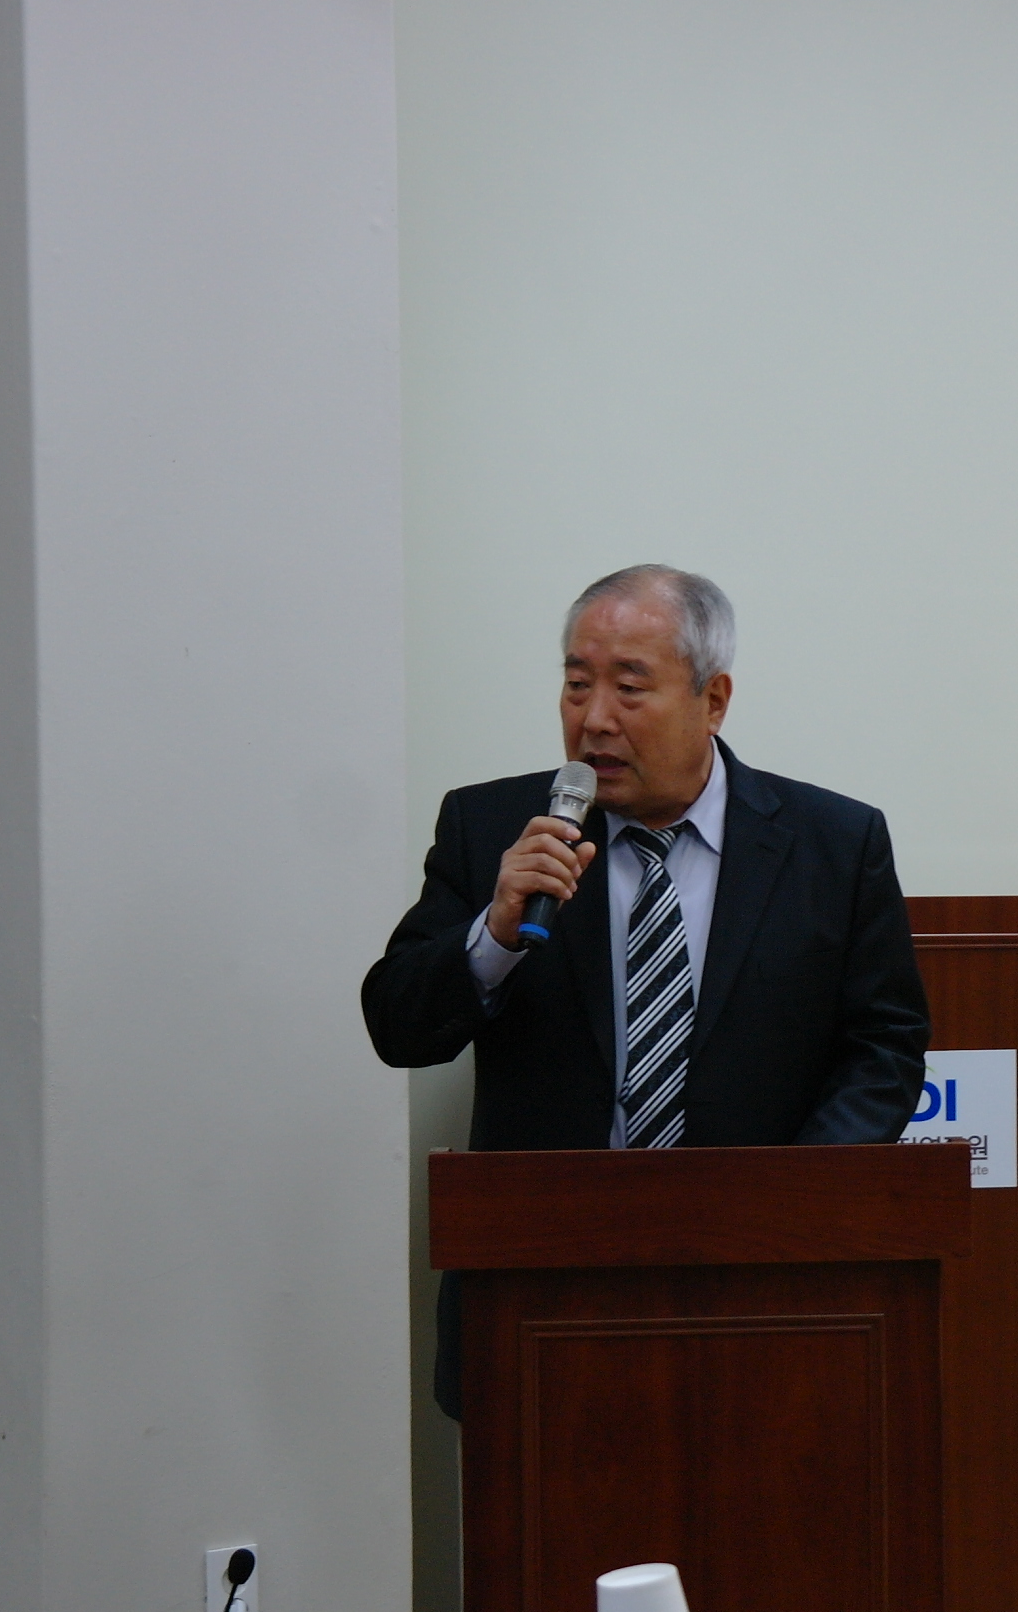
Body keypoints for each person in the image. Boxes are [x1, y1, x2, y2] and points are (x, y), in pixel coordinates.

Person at [363, 564, 929, 1414]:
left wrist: (794, 1204)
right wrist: (495, 934)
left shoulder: (834, 844)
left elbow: (884, 1047)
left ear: (714, 700)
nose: (594, 719)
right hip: (542, 1301)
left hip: (764, 1291)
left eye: (630, 688)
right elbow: (397, 1026)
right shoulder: (491, 831)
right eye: (576, 685)